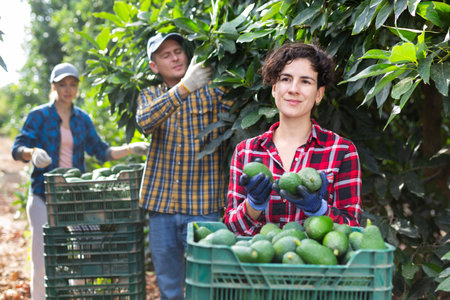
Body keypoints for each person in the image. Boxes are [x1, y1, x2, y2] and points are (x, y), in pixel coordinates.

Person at [11, 62, 149, 300]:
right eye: (62, 84)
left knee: (85, 252)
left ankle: (79, 295)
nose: (67, 89)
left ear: (77, 87)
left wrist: (129, 148)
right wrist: (32, 153)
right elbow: (17, 148)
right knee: (44, 259)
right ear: (53, 86)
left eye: (72, 84)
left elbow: (101, 151)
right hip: (44, 195)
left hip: (75, 198)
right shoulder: (39, 116)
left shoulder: (82, 119)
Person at [223, 42, 362, 236]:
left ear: (319, 94)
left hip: (315, 264)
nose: (293, 89)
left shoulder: (341, 151)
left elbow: (352, 230)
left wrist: (319, 209)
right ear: (274, 89)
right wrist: (253, 205)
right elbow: (229, 230)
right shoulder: (247, 151)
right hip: (258, 264)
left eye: (305, 81)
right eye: (286, 79)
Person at [135, 32, 232, 300]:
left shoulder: (214, 92)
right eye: (166, 55)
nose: (175, 57)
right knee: (168, 287)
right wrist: (184, 87)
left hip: (203, 206)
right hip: (162, 207)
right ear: (154, 66)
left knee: (205, 285)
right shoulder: (150, 94)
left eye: (178, 51)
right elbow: (145, 122)